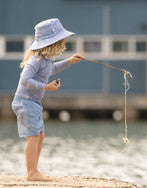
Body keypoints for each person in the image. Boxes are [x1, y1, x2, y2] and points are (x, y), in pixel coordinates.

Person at [11, 18, 83, 181]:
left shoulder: (47, 59)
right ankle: (32, 173)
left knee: (39, 135)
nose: (63, 46)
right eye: (61, 43)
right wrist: (46, 87)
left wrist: (69, 61)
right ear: (52, 44)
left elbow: (53, 69)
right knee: (33, 136)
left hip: (33, 102)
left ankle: (34, 170)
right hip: (25, 101)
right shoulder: (35, 60)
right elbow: (24, 80)